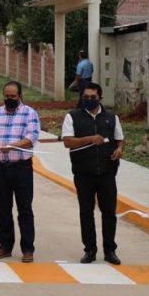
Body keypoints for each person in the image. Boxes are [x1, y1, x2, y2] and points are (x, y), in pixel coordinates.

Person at [62, 82, 124, 265]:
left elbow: (120, 140)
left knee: (109, 212)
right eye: (86, 97)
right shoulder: (72, 117)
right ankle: (89, 249)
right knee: (86, 212)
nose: (89, 100)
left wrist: (119, 149)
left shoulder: (111, 118)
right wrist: (89, 139)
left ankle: (110, 249)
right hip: (83, 173)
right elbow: (67, 142)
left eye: (93, 97)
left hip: (107, 172)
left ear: (100, 98)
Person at [0, 81, 40, 263]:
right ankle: (5, 246)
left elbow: (31, 138)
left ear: (20, 96)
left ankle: (27, 249)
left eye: (13, 96)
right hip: (0, 169)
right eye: (6, 96)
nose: (9, 99)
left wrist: (12, 146)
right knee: (3, 208)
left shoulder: (30, 113)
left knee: (24, 209)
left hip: (21, 168)